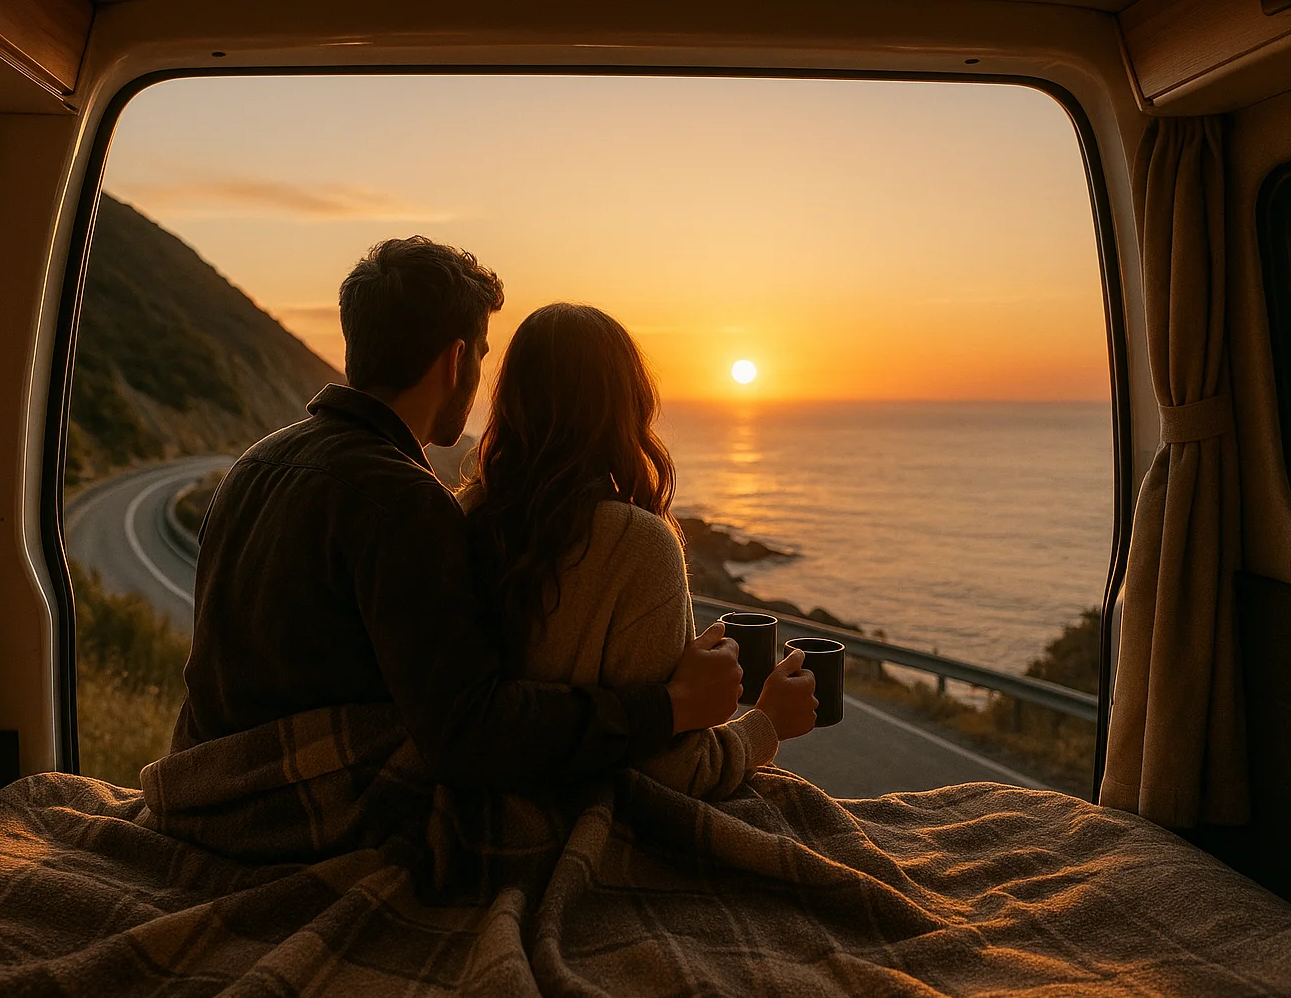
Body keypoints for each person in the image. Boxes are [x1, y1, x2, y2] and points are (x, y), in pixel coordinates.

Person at [171, 238, 744, 788]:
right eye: (481, 356)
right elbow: (470, 732)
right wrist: (671, 707)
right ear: (456, 359)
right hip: (302, 807)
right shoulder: (403, 502)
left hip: (205, 779)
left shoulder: (255, 463)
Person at [461, 303, 818, 800]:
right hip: (577, 812)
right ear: (628, 406)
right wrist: (769, 723)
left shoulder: (463, 514)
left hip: (470, 795)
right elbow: (676, 771)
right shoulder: (638, 544)